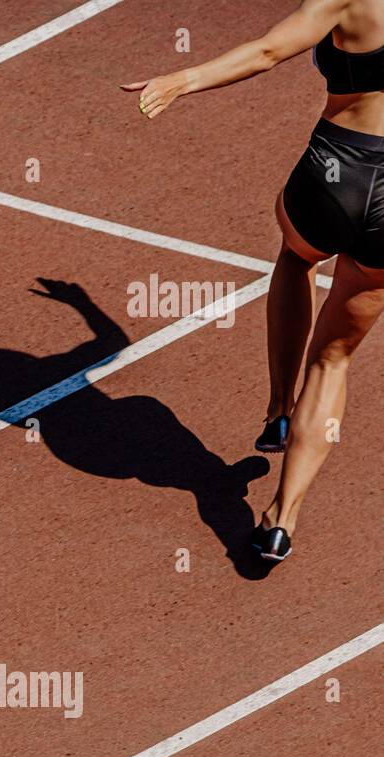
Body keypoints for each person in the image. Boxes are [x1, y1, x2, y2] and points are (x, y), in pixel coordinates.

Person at [125, 0, 384, 561]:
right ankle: (280, 520)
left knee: (296, 257)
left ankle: (277, 409)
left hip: (335, 169)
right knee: (334, 359)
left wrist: (181, 78)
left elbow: (268, 51)